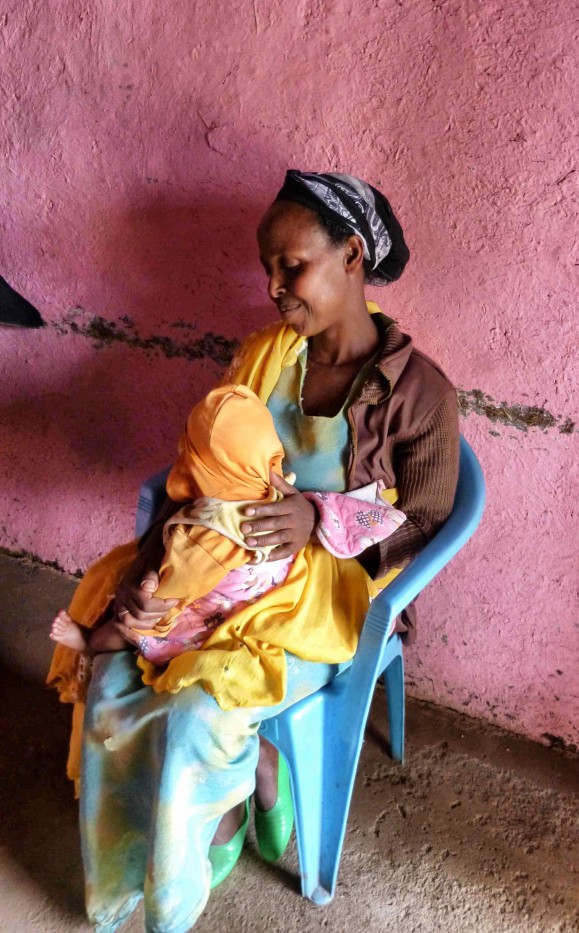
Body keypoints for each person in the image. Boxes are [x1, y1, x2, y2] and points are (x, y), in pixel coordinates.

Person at [47, 170, 460, 932]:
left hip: (322, 604)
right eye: (267, 267)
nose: (272, 286)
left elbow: (431, 516)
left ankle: (198, 860)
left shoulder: (418, 393)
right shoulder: (268, 355)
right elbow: (201, 470)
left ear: (353, 255)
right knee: (113, 667)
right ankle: (124, 874)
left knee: (205, 707)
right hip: (218, 579)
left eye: (290, 264)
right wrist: (150, 570)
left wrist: (321, 522)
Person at [49, 384, 405, 668]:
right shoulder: (283, 490)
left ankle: (89, 644)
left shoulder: (208, 530)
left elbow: (178, 587)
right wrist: (316, 513)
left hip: (218, 618)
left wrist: (151, 599)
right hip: (284, 605)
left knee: (124, 626)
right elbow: (379, 518)